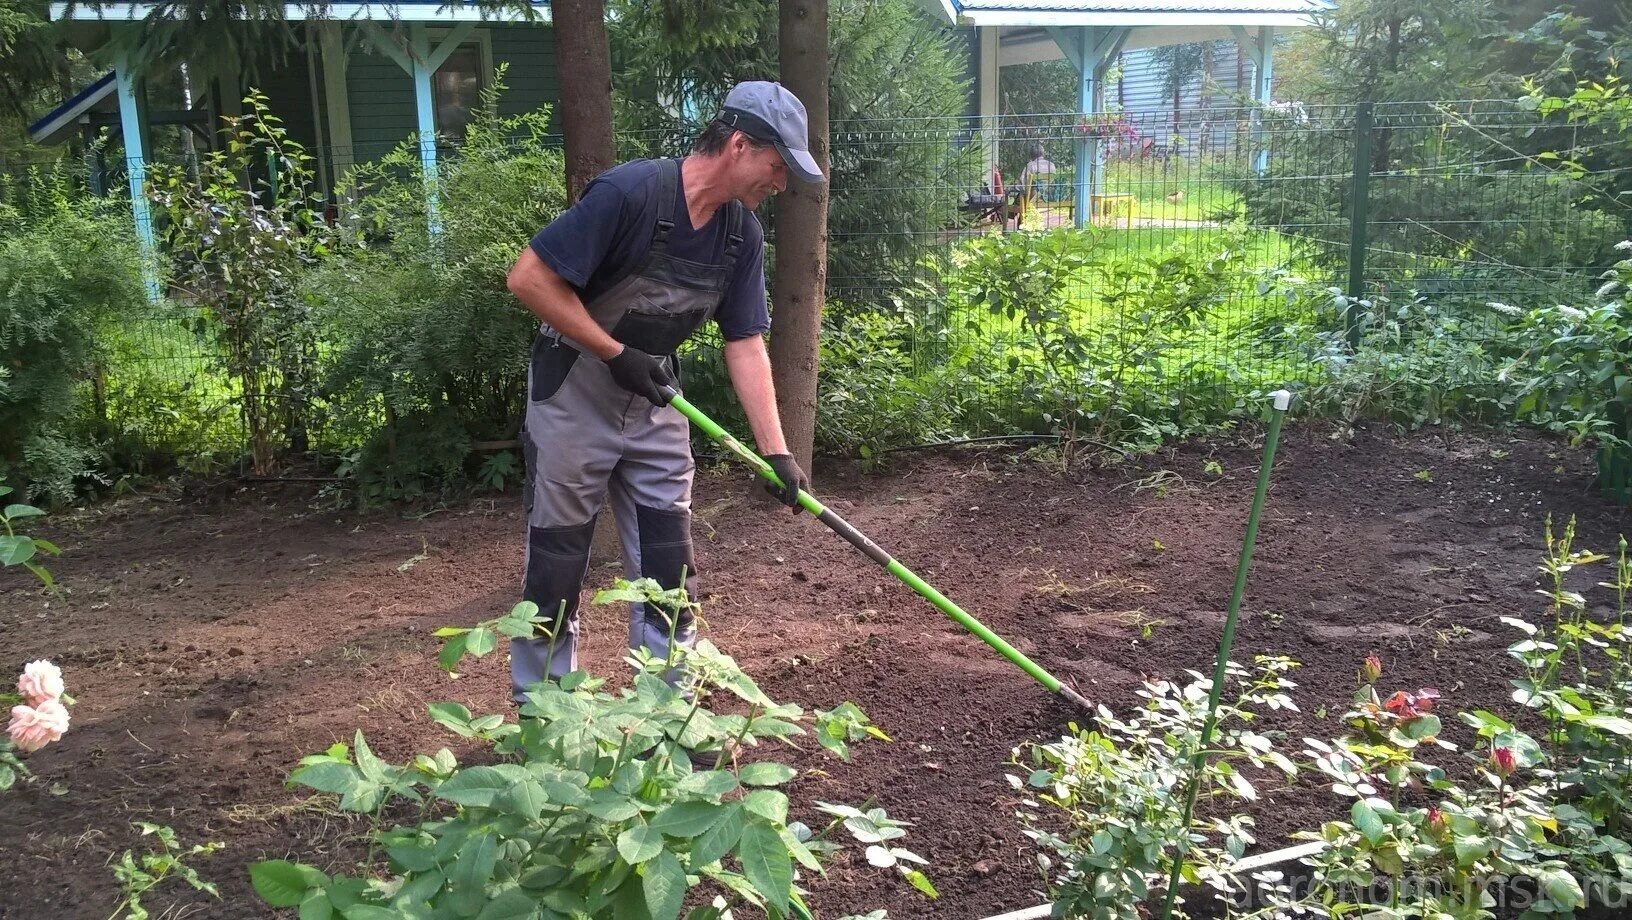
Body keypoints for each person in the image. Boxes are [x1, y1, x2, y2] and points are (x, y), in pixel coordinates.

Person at [504, 81, 822, 700]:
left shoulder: (740, 237)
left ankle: (667, 714)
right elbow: (530, 279)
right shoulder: (630, 194)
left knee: (669, 568)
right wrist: (614, 352)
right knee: (557, 564)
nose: (780, 184)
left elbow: (746, 342)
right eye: (777, 166)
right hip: (573, 395)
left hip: (652, 403)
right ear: (738, 144)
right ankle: (543, 715)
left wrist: (777, 453)